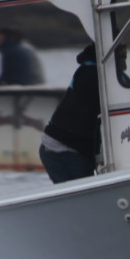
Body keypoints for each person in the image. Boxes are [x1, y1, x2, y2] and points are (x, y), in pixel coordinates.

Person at [38, 42, 99, 183]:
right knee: (82, 199)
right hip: (62, 150)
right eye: (121, 49)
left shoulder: (88, 70)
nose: (125, 54)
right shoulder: (92, 75)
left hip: (63, 147)